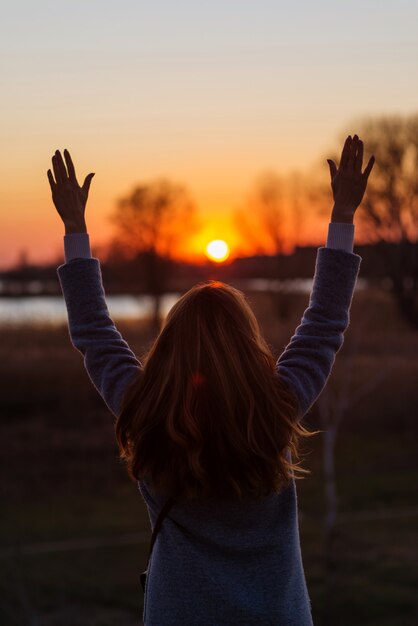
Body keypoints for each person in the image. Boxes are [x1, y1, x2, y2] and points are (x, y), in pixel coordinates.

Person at [48, 135, 374, 626]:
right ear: (248, 347)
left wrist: (76, 227)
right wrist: (343, 215)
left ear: (169, 352)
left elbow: (93, 332)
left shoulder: (147, 416)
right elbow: (325, 323)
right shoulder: (276, 412)